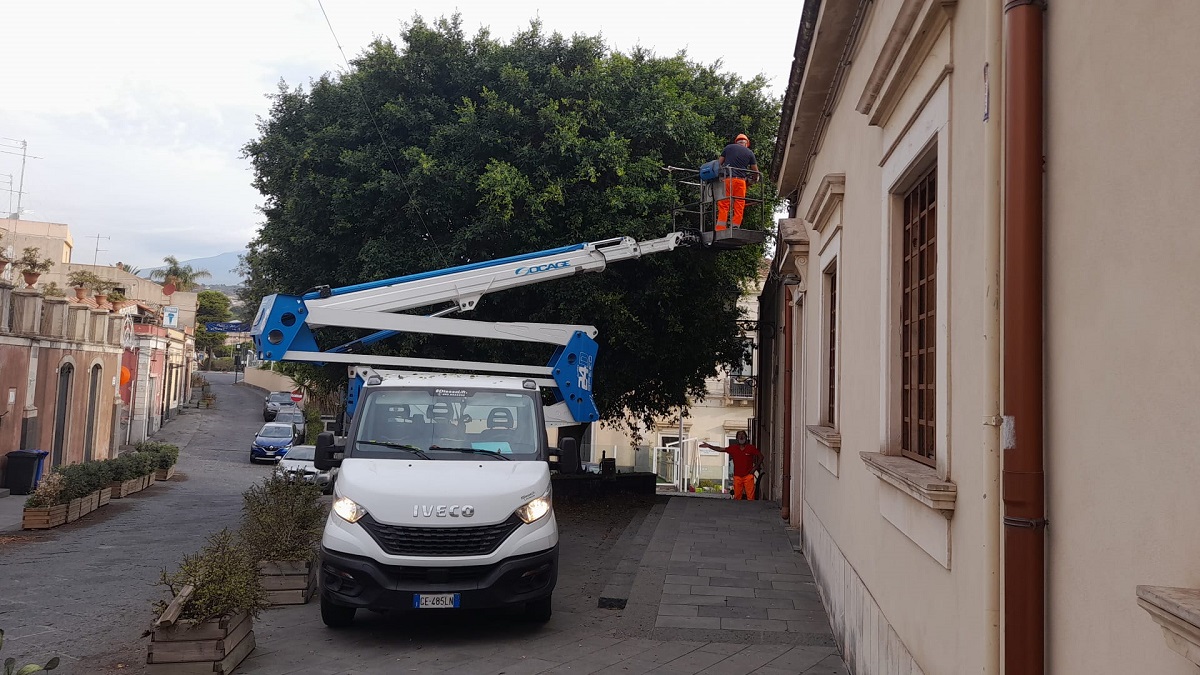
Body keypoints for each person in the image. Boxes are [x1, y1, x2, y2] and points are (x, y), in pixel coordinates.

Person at [715, 133, 761, 230]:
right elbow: (755, 172)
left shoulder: (728, 148)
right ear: (746, 143)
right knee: (739, 204)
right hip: (740, 182)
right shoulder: (749, 153)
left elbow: (718, 164)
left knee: (724, 204)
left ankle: (720, 227)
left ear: (736, 142)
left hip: (727, 180)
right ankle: (735, 226)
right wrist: (755, 179)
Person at [701, 431, 762, 500]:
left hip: (748, 475)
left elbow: (761, 457)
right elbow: (720, 449)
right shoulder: (733, 448)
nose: (741, 436)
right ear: (737, 438)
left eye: (743, 435)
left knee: (751, 497)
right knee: (737, 497)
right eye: (739, 435)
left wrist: (755, 468)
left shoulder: (751, 448)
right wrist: (709, 446)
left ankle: (751, 507)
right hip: (737, 476)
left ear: (746, 437)